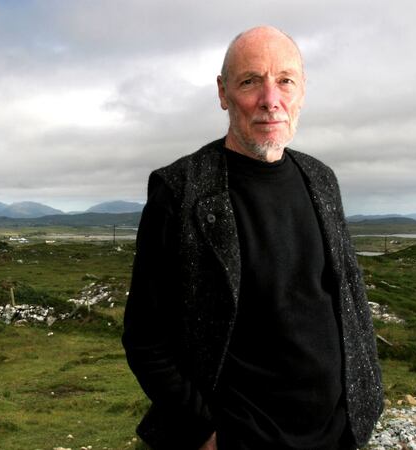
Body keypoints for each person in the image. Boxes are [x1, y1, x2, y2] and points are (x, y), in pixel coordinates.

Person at [121, 25, 384, 450]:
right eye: (250, 82)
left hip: (337, 434)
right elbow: (145, 337)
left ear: (302, 92)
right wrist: (204, 432)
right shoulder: (179, 190)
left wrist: (364, 407)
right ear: (223, 94)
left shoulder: (321, 179)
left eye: (285, 81)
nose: (270, 100)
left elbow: (348, 299)